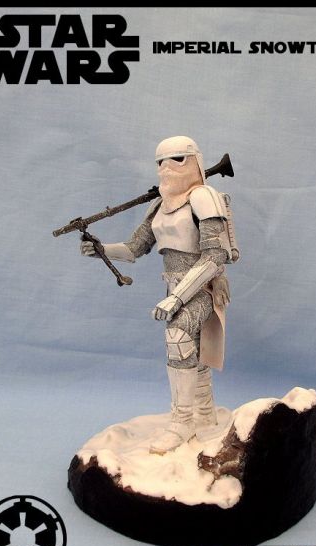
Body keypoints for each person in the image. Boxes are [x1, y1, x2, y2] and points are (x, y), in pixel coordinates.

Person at [81, 136, 238, 454]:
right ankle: (204, 414)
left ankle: (182, 422)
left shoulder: (204, 197)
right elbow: (134, 248)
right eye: (160, 162)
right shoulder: (160, 205)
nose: (167, 168)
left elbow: (214, 256)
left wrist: (177, 297)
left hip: (202, 287)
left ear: (192, 161)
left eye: (177, 159)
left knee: (178, 337)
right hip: (174, 286)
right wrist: (102, 249)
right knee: (192, 350)